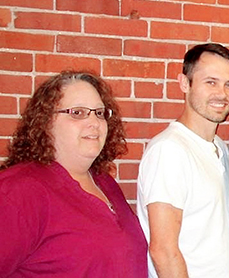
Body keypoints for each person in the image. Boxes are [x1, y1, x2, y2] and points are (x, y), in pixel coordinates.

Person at [0, 70, 147, 277]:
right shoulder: (17, 191)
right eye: (77, 113)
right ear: (46, 122)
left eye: (99, 113)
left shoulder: (105, 183)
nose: (94, 122)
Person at [136, 43, 229, 278]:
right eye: (211, 82)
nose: (222, 94)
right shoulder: (169, 150)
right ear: (185, 83)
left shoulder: (219, 149)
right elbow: (163, 250)